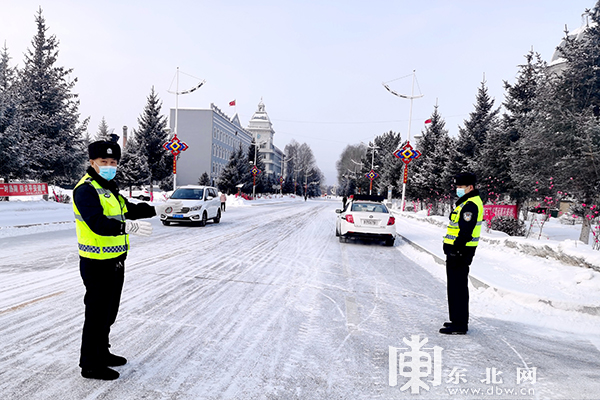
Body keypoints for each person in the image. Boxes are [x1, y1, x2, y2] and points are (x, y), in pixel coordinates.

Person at [73, 135, 182, 380]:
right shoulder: (86, 190)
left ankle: (103, 352)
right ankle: (90, 364)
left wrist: (156, 209)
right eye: (104, 161)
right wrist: (126, 228)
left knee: (109, 312)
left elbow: (129, 209)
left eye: (114, 161)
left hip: (115, 261)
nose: (110, 166)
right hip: (96, 263)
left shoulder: (109, 189)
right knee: (96, 314)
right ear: (92, 162)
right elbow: (97, 223)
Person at [439, 172, 483, 335]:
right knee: (455, 287)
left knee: (458, 288)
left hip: (461, 252)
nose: (457, 189)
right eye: (457, 187)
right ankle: (456, 319)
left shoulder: (470, 204)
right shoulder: (466, 202)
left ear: (470, 187)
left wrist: (456, 250)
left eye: (460, 187)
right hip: (458, 251)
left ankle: (460, 324)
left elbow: (466, 232)